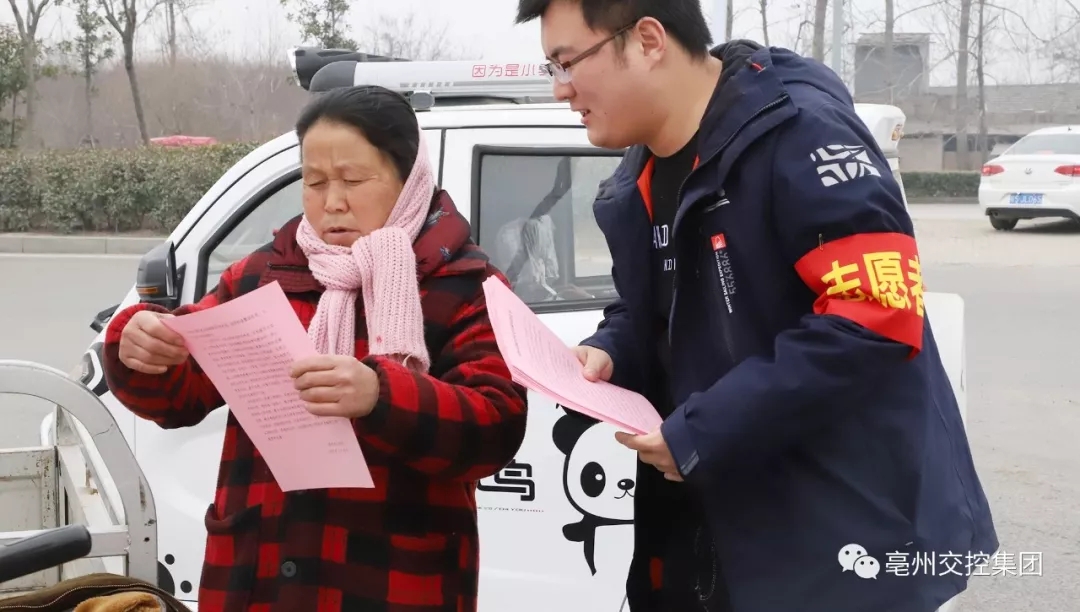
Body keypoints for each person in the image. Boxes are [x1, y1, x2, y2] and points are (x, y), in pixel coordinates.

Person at [515, 1, 998, 611]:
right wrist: (611, 350)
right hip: (707, 531)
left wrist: (704, 430)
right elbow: (652, 310)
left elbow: (875, 315)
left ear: (648, 40)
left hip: (833, 541)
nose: (560, 90)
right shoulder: (641, 173)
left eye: (566, 63)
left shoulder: (801, 134)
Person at [101, 85, 529, 612]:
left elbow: (496, 426)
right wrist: (140, 346)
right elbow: (179, 396)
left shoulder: (463, 283)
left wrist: (380, 395)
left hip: (394, 578)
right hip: (260, 575)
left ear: (409, 179)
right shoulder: (264, 274)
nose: (332, 202)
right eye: (315, 181)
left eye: (353, 180)